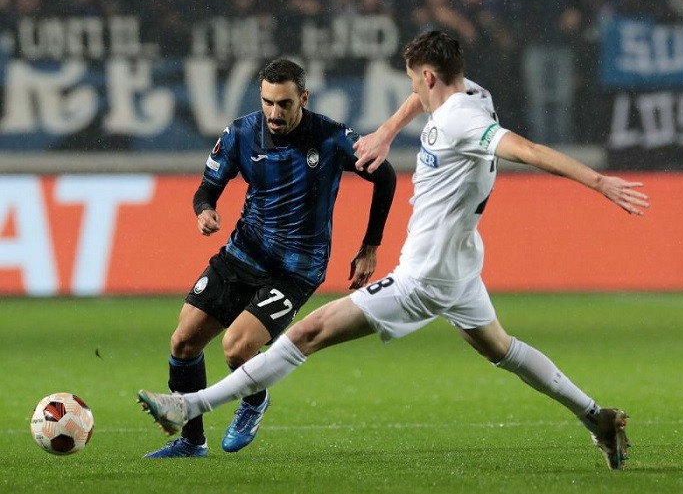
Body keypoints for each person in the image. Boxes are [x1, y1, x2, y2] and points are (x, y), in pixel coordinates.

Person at [138, 31, 649, 469]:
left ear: (427, 76)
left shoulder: (461, 122)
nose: (412, 91)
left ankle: (189, 406)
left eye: (413, 81)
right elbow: (423, 102)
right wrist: (387, 130)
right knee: (503, 350)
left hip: (423, 277)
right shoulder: (473, 94)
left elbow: (527, 150)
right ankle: (596, 416)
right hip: (461, 267)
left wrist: (599, 182)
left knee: (306, 334)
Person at [141, 58, 396, 458]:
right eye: (268, 102)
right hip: (242, 254)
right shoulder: (241, 133)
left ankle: (255, 400)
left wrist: (371, 245)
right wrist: (205, 211)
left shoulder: (331, 137)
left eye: (284, 104)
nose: (274, 113)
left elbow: (385, 175)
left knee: (236, 347)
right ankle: (191, 441)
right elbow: (207, 188)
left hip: (297, 268)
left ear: (303, 99)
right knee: (184, 341)